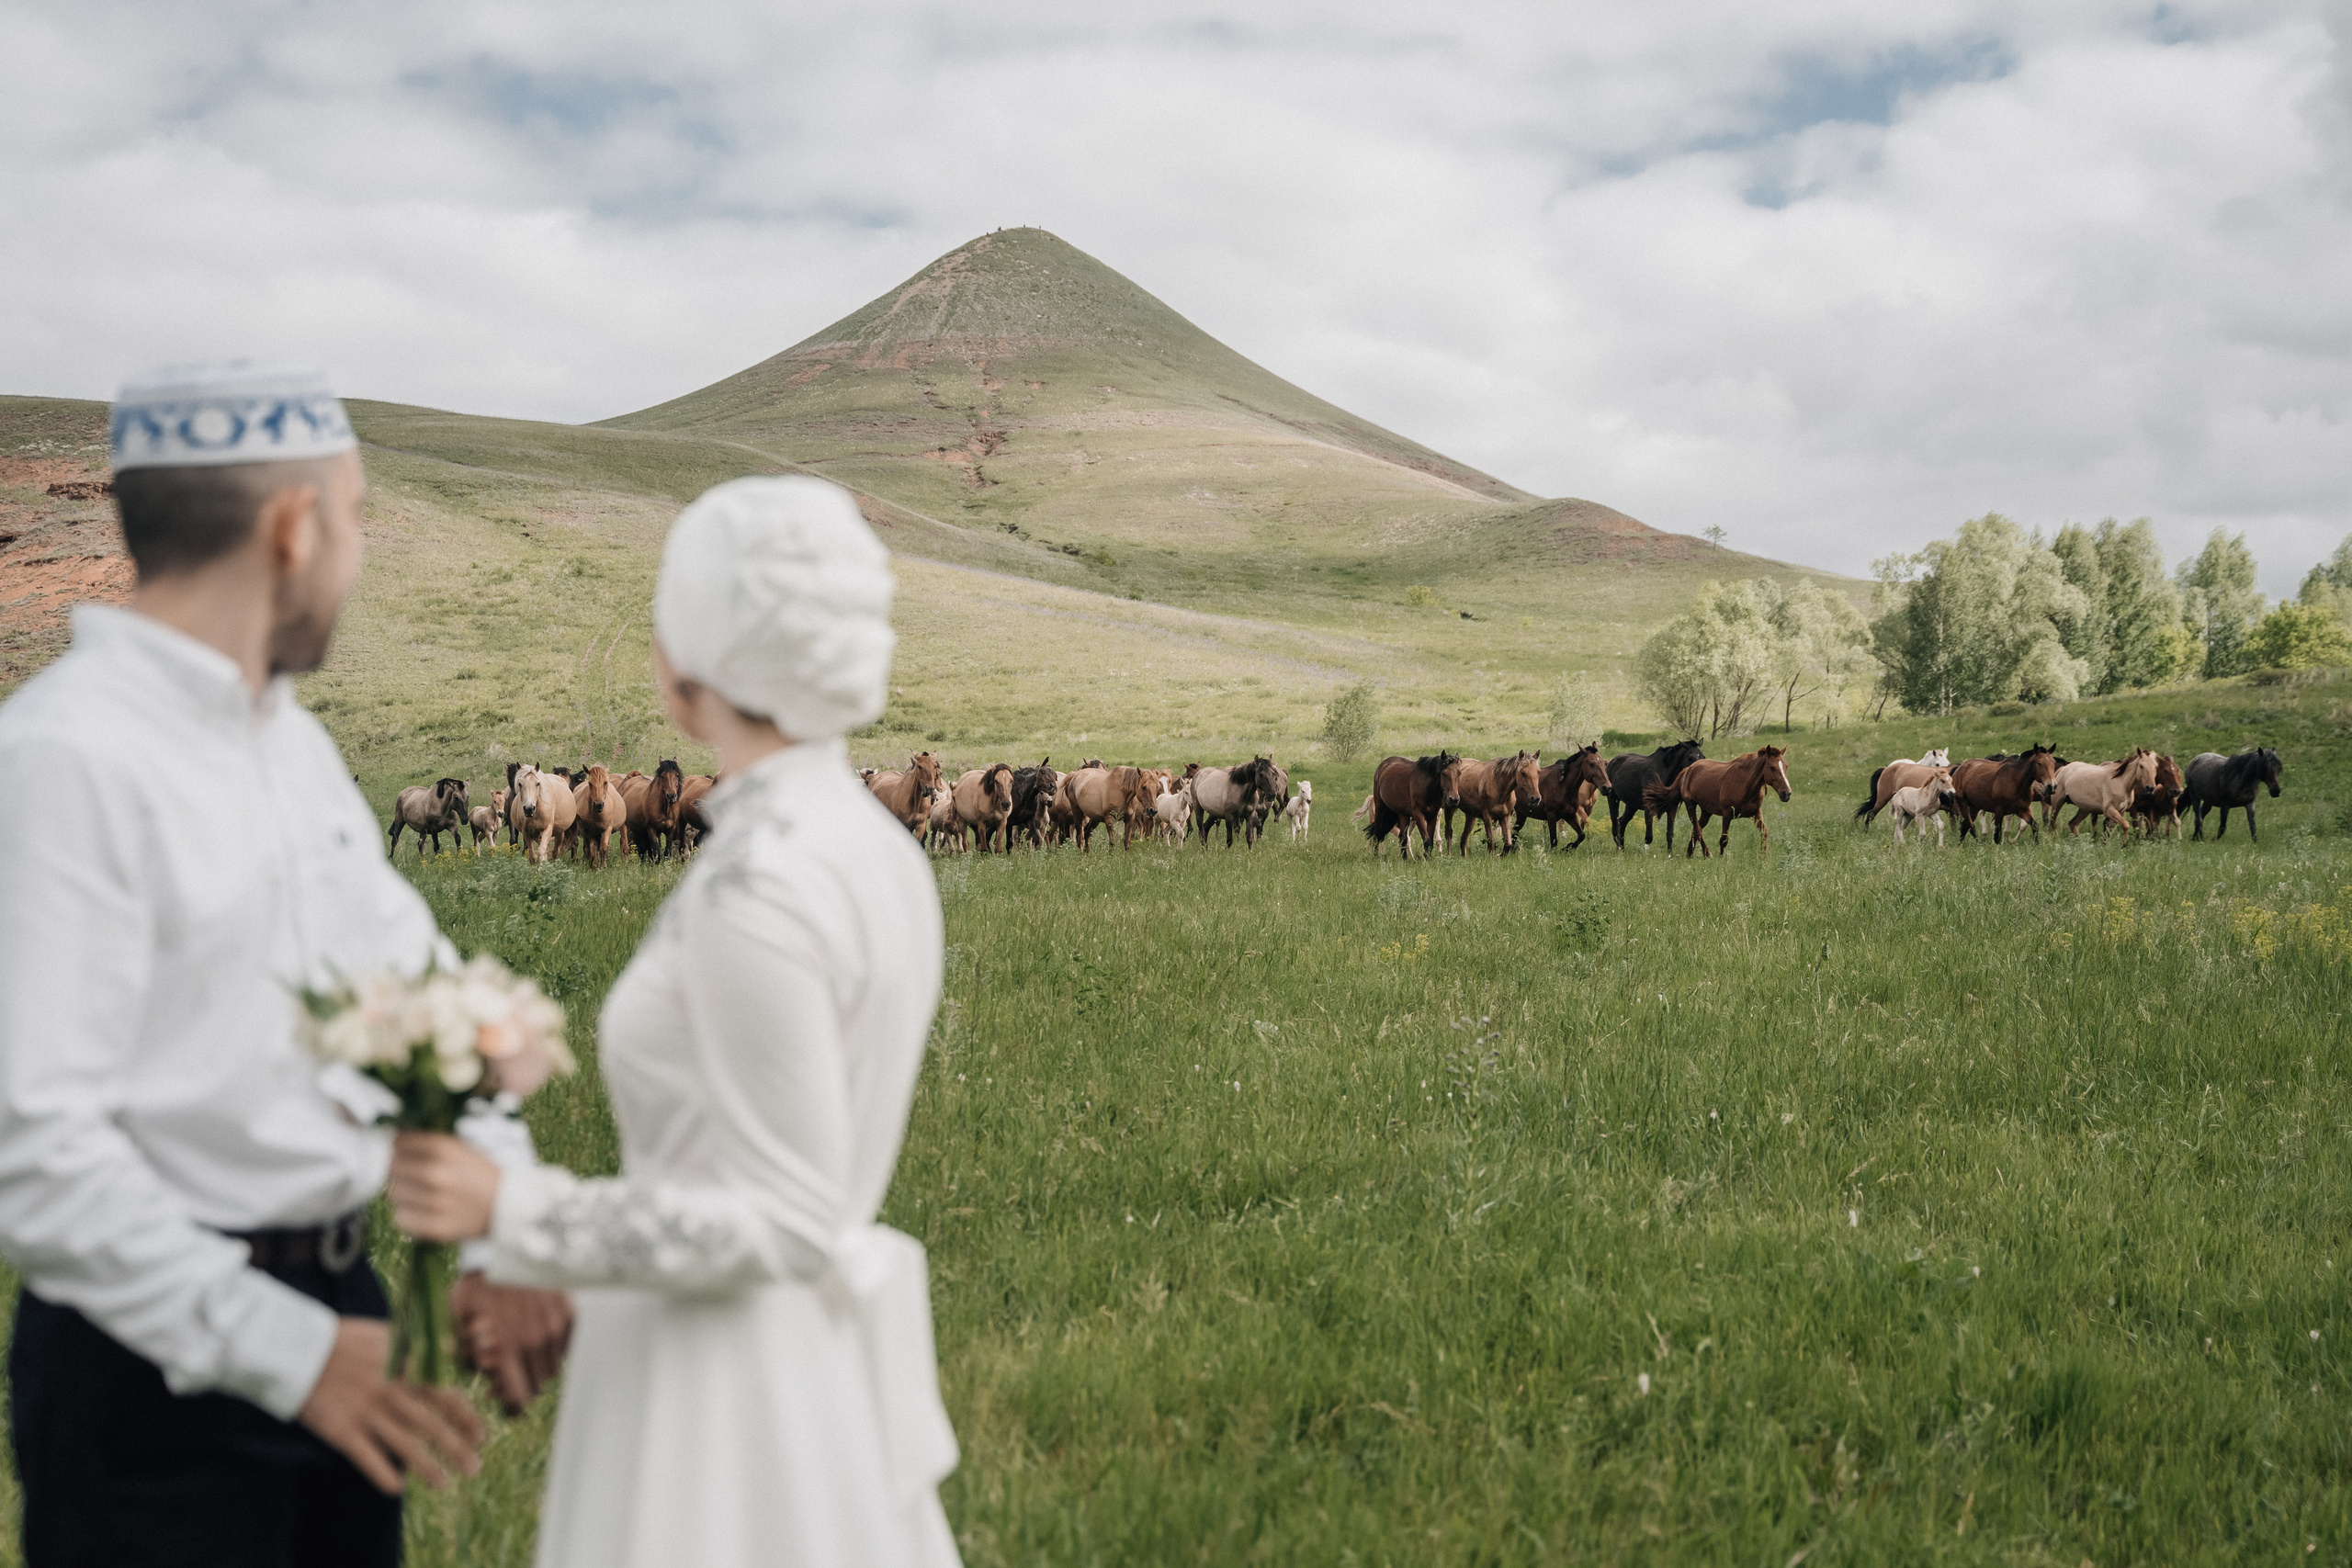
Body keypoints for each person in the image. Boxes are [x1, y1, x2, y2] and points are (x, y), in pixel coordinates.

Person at [0, 363, 573, 1568]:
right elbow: (35, 1149)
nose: (355, 556)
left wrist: (498, 1224)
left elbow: (418, 989)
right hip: (153, 1375)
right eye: (356, 520)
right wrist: (294, 1352)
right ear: (294, 526)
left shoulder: (293, 746)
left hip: (344, 1305)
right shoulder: (64, 760)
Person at [390, 476, 961, 1567]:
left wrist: (519, 1209)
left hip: (719, 1397)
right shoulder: (869, 846)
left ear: (693, 654)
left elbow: (785, 1221)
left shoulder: (763, 884)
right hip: (805, 1368)